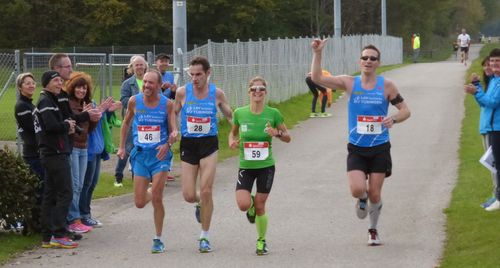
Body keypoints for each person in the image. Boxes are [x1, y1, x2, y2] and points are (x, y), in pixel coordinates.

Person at [310, 39, 411, 245]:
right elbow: (317, 77)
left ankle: (373, 230)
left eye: (372, 58)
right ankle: (361, 198)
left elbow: (406, 111)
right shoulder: (350, 83)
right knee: (357, 189)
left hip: (380, 147)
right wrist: (318, 53)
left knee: (375, 193)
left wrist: (393, 119)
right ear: (359, 61)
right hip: (357, 147)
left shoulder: (387, 86)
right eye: (364, 58)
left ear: (378, 63)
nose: (368, 61)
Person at [174, 56, 233, 252]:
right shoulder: (182, 92)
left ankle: (204, 236)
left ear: (208, 73)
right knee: (189, 195)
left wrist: (237, 134)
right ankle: (201, 203)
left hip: (209, 144)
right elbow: (172, 113)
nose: (195, 78)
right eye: (192, 74)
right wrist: (173, 129)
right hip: (189, 144)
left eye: (199, 74)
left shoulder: (217, 93)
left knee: (207, 190)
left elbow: (231, 116)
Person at [228, 76, 291, 255]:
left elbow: (288, 137)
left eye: (261, 89)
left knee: (261, 205)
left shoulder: (273, 113)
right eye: (254, 89)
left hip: (266, 167)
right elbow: (232, 134)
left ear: (265, 92)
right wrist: (232, 141)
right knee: (243, 204)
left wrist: (277, 133)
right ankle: (252, 206)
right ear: (248, 92)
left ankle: (262, 240)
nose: (257, 92)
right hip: (246, 167)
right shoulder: (239, 113)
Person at [117, 69, 177, 253]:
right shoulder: (135, 101)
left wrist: (169, 141)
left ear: (159, 86)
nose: (147, 85)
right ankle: (151, 189)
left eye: (151, 82)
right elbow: (126, 123)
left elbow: (174, 130)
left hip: (160, 155)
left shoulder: (168, 104)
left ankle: (158, 238)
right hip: (141, 156)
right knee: (140, 202)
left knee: (158, 197)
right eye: (145, 82)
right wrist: (121, 147)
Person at [33, 71, 78, 249]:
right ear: (46, 83)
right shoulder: (45, 101)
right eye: (56, 81)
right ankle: (59, 233)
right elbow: (51, 126)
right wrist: (67, 125)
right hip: (54, 153)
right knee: (65, 192)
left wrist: (70, 122)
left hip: (52, 153)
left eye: (60, 80)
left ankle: (47, 236)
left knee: (50, 195)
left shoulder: (51, 99)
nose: (60, 83)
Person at [464, 48, 500, 211]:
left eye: (495, 62)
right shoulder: (493, 81)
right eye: (490, 63)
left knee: (496, 165)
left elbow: (491, 103)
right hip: (490, 127)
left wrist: (476, 91)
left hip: (496, 128)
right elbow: (484, 103)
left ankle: (497, 198)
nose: (491, 65)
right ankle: (496, 196)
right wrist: (477, 88)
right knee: (493, 164)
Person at [65, 71, 99, 234]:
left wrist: (94, 119)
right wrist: (85, 114)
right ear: (72, 88)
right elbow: (72, 124)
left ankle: (76, 218)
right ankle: (73, 219)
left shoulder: (86, 103)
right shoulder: (69, 104)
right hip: (73, 148)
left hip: (84, 147)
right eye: (79, 87)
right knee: (75, 184)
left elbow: (87, 131)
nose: (82, 91)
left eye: (84, 88)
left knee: (80, 184)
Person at [80, 97, 121, 228]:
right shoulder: (78, 104)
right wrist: (99, 111)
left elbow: (100, 121)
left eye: (85, 88)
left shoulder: (92, 102)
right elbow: (87, 124)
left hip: (97, 148)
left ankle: (87, 214)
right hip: (88, 149)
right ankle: (83, 215)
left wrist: (106, 111)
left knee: (92, 183)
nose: (83, 91)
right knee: (86, 184)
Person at [114, 55, 148, 187]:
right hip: (132, 122)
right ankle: (118, 176)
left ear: (145, 66)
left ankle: (137, 176)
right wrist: (139, 99)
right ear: (132, 68)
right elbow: (123, 101)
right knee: (127, 149)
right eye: (136, 65)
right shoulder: (127, 83)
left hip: (147, 122)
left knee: (141, 150)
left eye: (141, 64)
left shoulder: (150, 81)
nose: (139, 67)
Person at [155, 53, 177, 181]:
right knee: (156, 140)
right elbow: (150, 93)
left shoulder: (169, 75)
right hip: (155, 112)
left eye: (166, 61)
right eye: (161, 61)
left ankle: (166, 169)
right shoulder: (153, 75)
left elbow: (172, 96)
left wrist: (173, 90)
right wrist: (162, 89)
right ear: (156, 62)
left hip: (167, 111)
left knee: (170, 139)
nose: (164, 63)